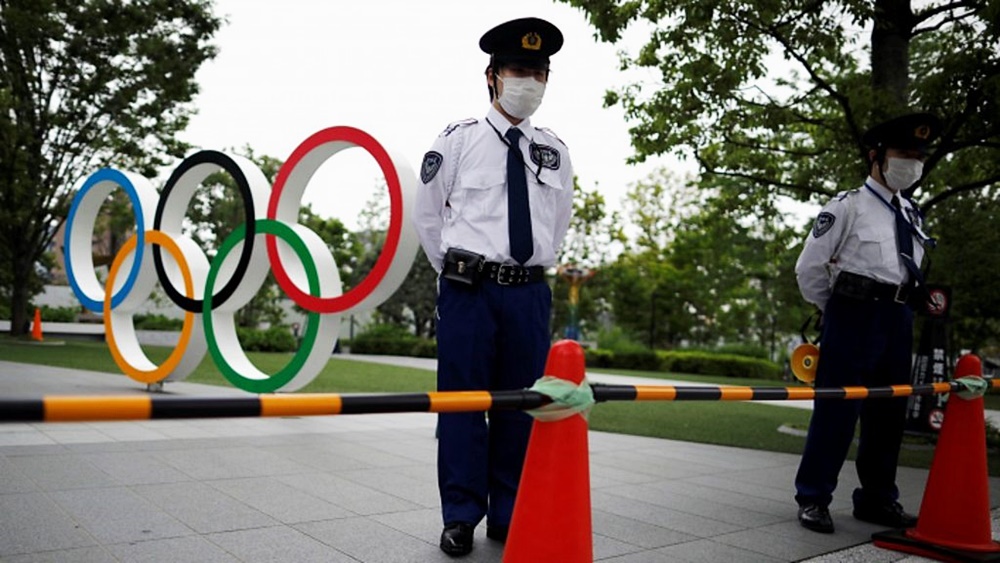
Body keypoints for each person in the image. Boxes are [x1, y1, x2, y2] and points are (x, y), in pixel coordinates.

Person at [411, 16, 574, 557]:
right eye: (519, 71)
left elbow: (557, 224)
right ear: (493, 76)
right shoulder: (456, 141)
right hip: (470, 290)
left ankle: (508, 514)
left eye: (539, 72)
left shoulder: (554, 150)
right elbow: (428, 218)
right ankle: (460, 515)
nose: (530, 82)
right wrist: (460, 274)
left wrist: (524, 273)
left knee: (521, 406)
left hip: (528, 295)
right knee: (461, 404)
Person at [793, 112, 941, 533]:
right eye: (903, 153)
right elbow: (809, 269)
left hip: (898, 317)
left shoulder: (911, 213)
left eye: (918, 156)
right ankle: (814, 497)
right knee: (836, 411)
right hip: (853, 314)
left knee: (889, 414)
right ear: (876, 155)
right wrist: (837, 310)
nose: (912, 163)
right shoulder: (848, 206)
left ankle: (877, 499)